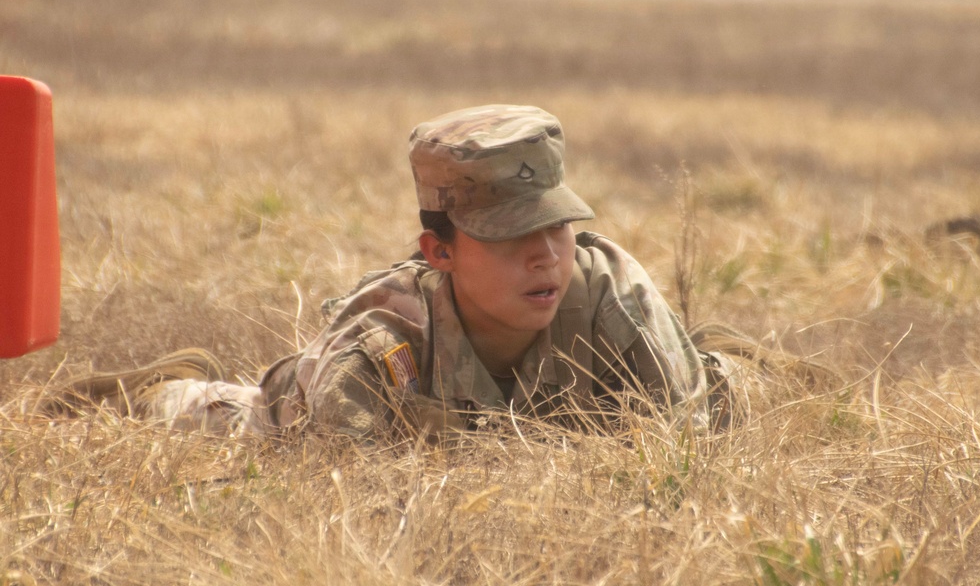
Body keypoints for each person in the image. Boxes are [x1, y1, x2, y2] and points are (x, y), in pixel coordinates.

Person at [45, 104, 741, 441]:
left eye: (558, 227)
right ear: (439, 252)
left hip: (695, 381)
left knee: (725, 386)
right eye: (510, 237)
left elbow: (689, 451)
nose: (546, 256)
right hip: (297, 410)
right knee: (241, 423)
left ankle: (744, 359)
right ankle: (166, 385)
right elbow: (349, 498)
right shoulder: (378, 343)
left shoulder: (613, 295)